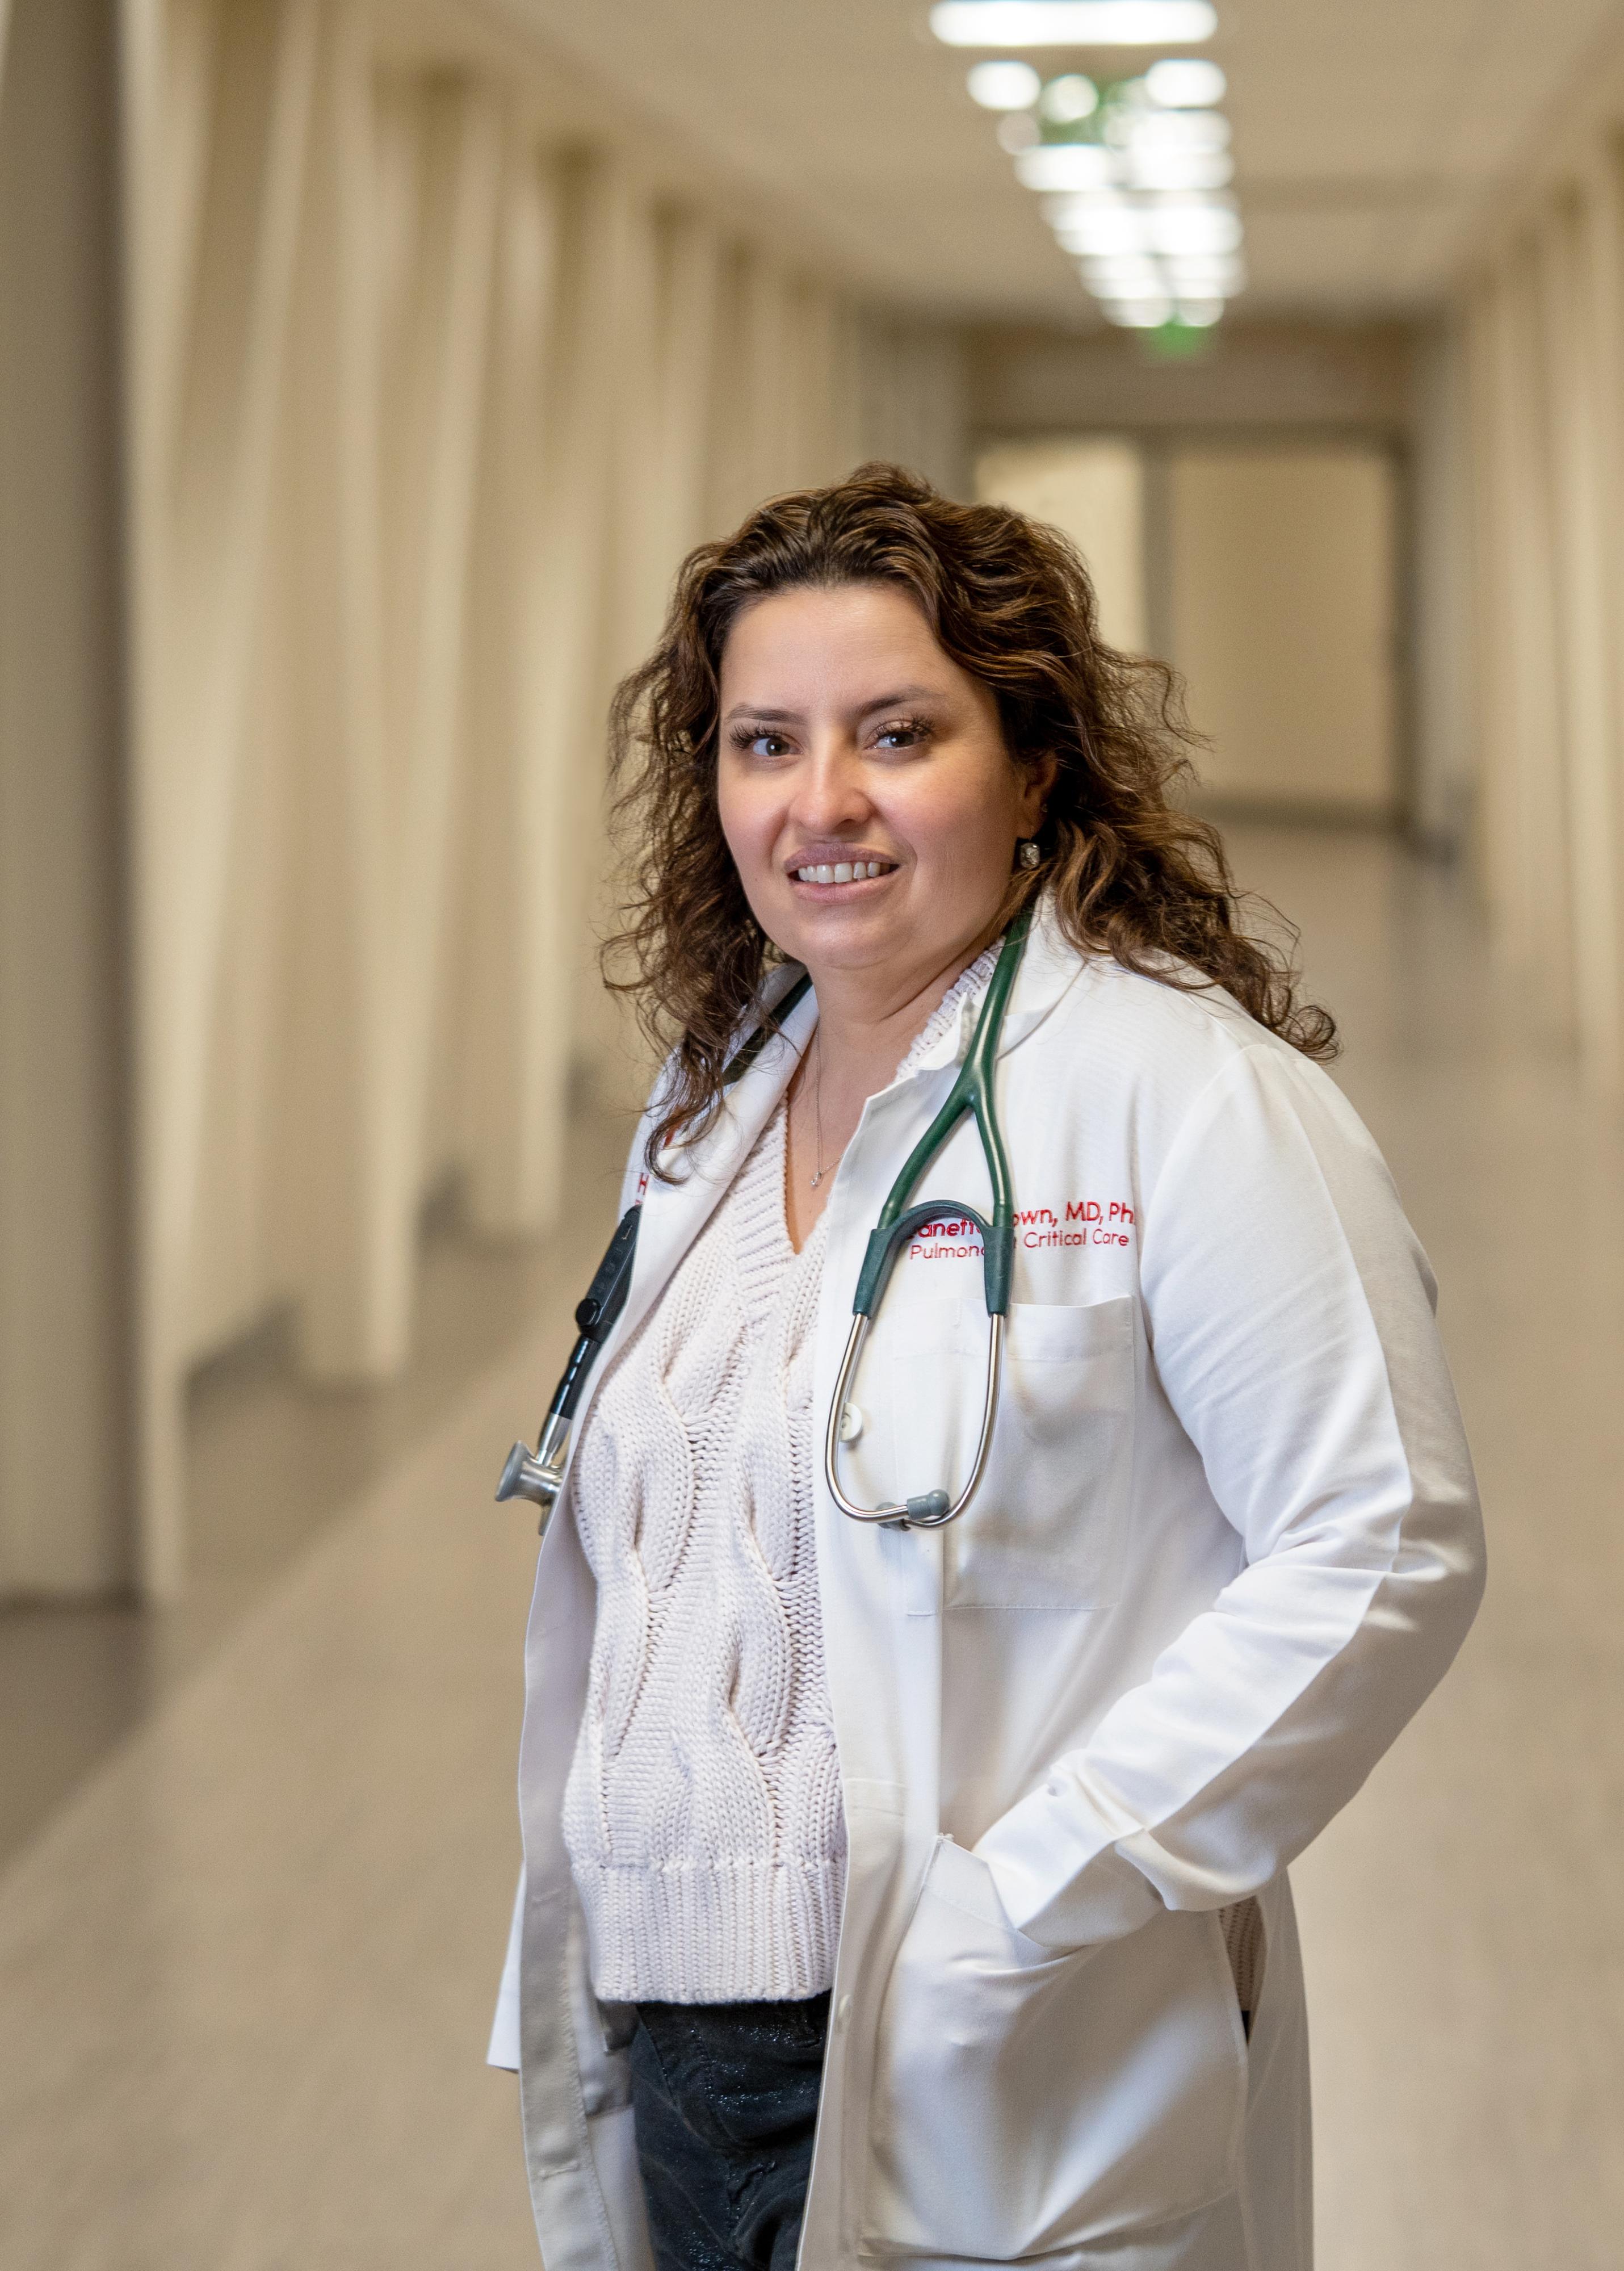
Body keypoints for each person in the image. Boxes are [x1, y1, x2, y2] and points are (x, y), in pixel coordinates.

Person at [488, 464, 1485, 2271]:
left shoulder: (1183, 1095)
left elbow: (1384, 1541)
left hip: (986, 2050)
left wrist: (1011, 1918)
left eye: (896, 733)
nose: (823, 803)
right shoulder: (713, 1101)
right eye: (763, 742)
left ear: (1034, 764)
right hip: (675, 2046)